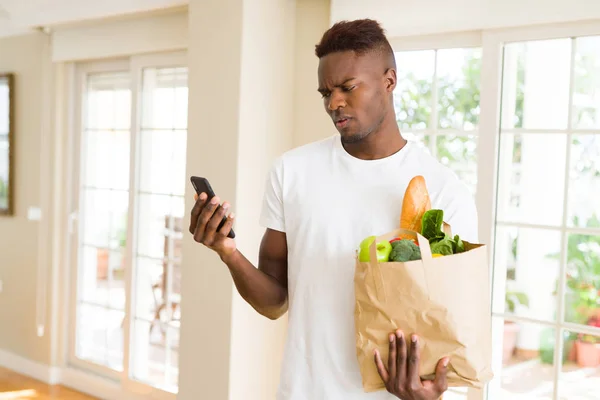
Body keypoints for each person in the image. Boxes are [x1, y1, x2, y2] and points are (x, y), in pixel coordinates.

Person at [189, 18, 478, 400]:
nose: (333, 102)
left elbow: (454, 335)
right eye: (325, 92)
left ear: (389, 81)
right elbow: (275, 302)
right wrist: (228, 253)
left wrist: (431, 395)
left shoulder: (443, 191)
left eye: (347, 87)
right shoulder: (291, 172)